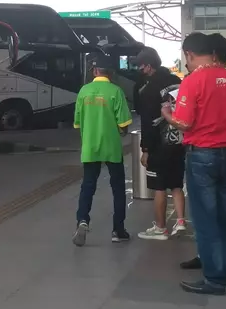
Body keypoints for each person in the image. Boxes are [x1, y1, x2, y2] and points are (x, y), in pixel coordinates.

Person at [160, 32, 226, 295]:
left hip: (202, 156)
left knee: (206, 219)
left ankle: (214, 279)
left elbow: (184, 123)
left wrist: (166, 113)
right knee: (225, 217)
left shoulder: (193, 80)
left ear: (189, 54)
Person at [73, 64, 134, 247]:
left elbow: (77, 122)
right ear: (110, 73)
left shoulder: (84, 91)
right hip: (112, 147)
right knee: (117, 188)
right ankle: (118, 230)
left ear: (94, 71)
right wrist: (121, 130)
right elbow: (123, 123)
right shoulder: (116, 91)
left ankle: (82, 220)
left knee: (88, 185)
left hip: (90, 147)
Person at [134, 47, 185, 240]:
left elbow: (147, 122)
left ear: (148, 66)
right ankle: (180, 222)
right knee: (177, 184)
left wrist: (145, 149)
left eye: (140, 66)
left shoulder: (148, 89)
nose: (139, 70)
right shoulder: (176, 81)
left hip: (159, 144)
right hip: (179, 140)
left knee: (160, 187)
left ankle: (161, 228)